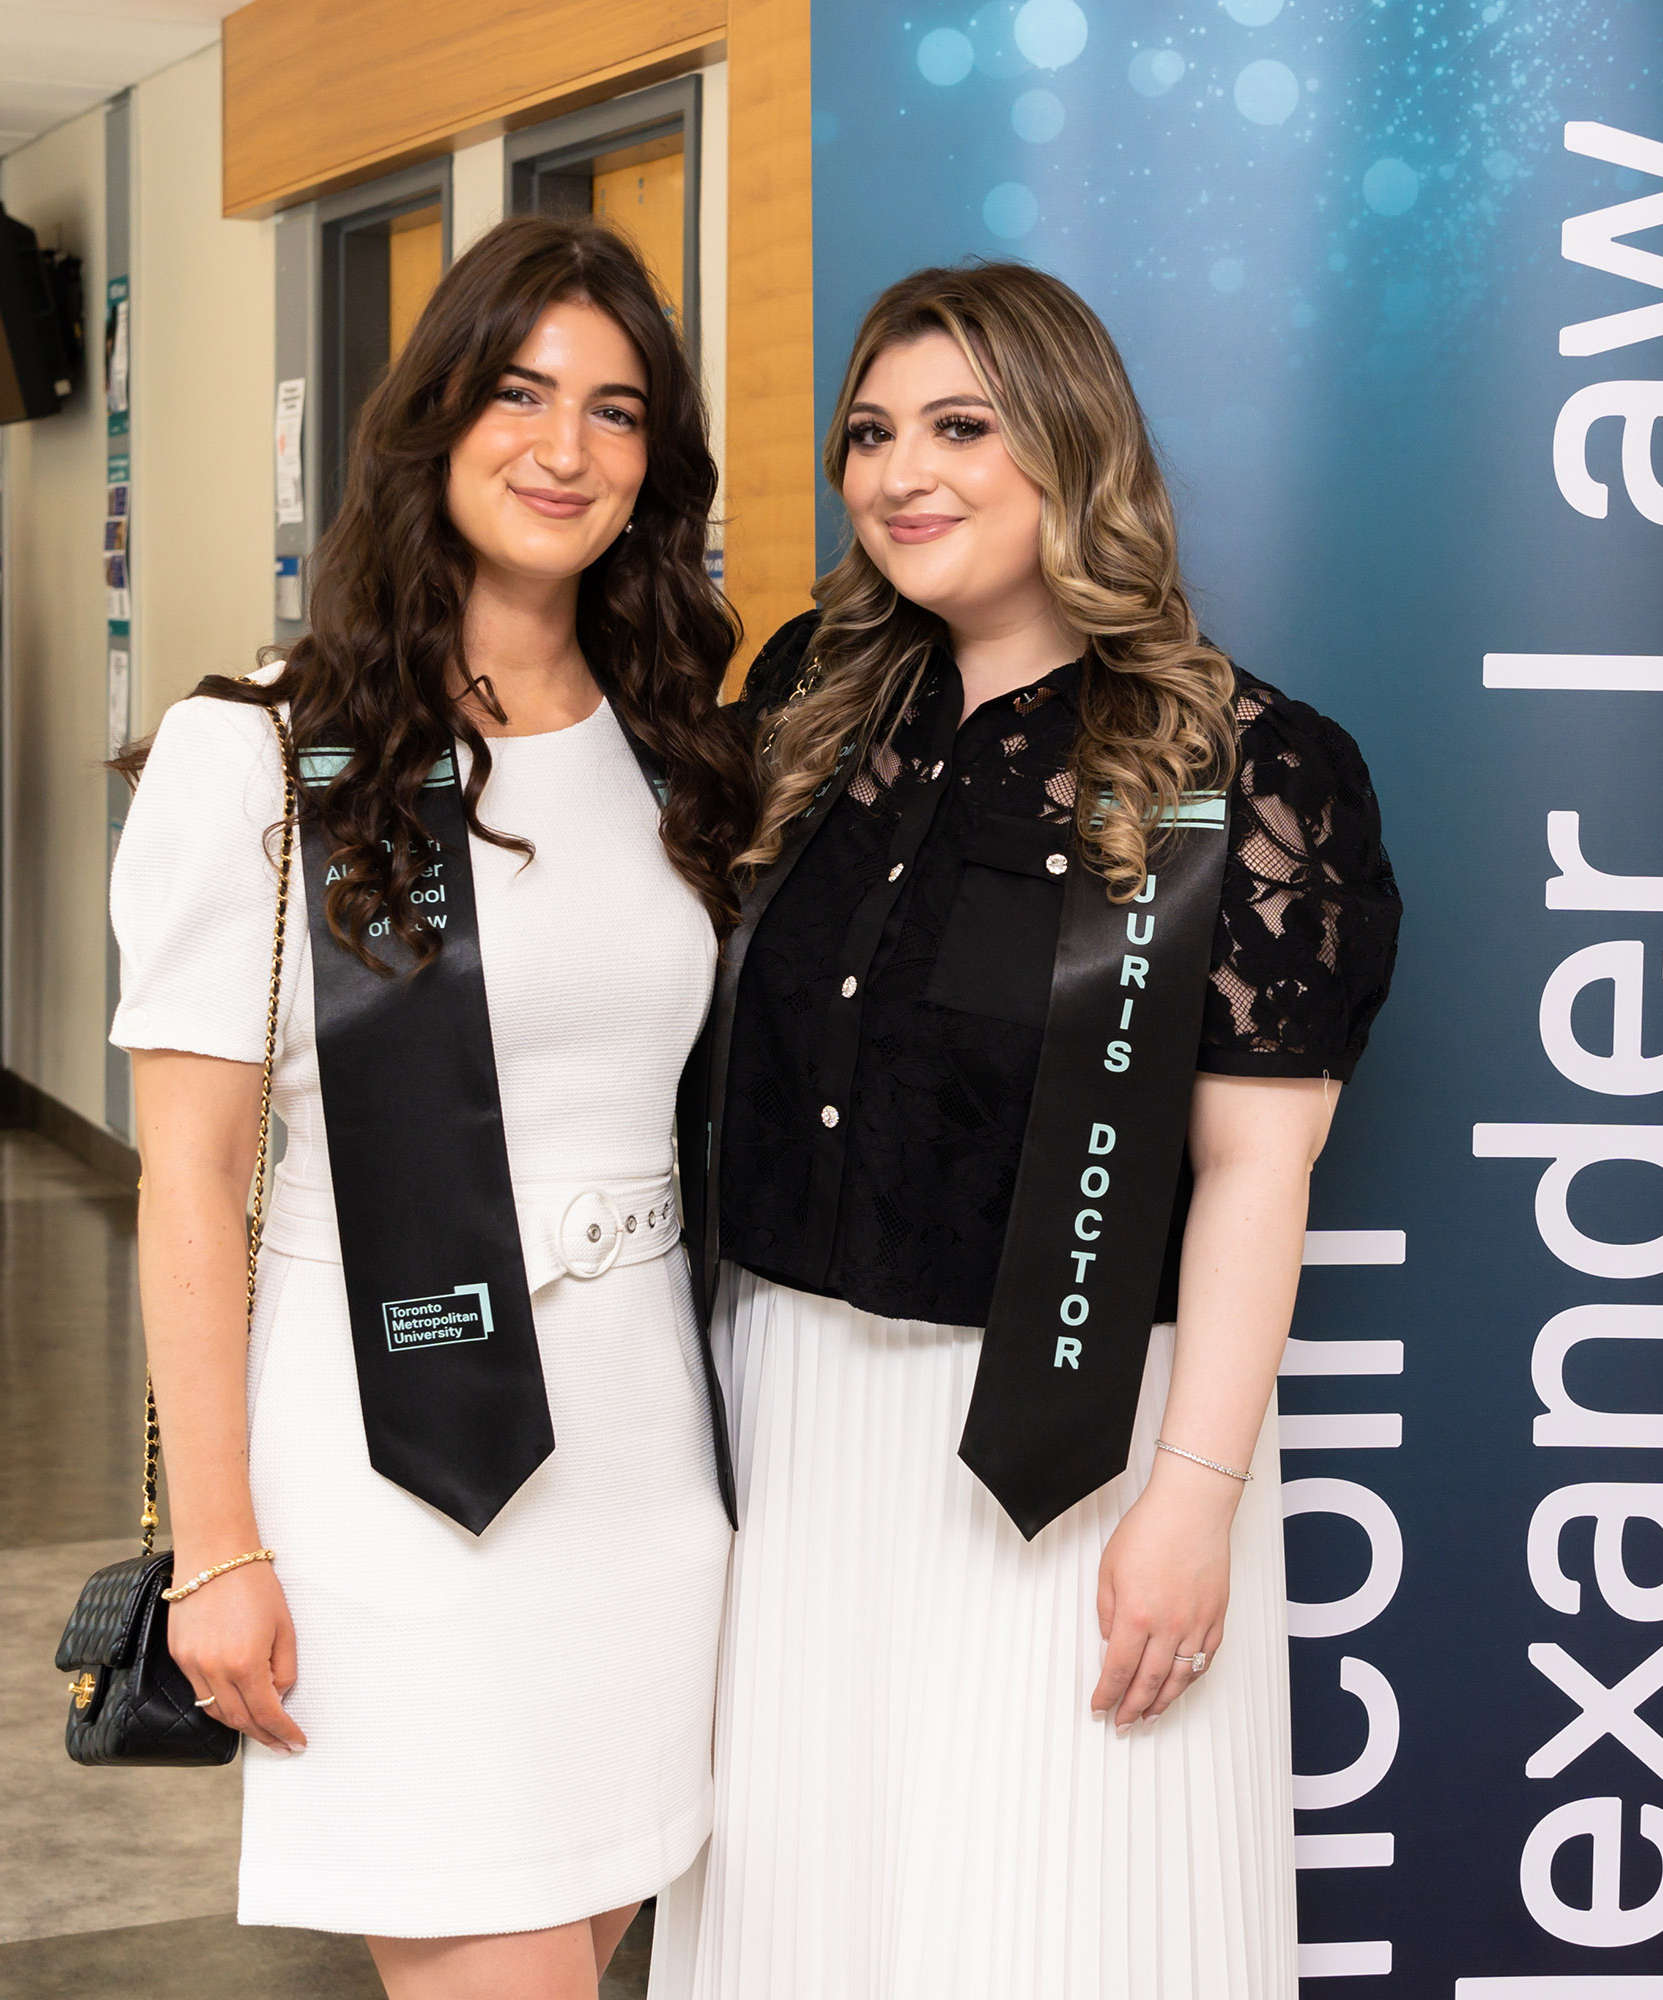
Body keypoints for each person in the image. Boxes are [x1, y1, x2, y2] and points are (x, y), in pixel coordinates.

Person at [652, 263, 1401, 1998]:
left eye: (961, 427)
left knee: (1057, 1916)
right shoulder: (810, 707)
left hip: (1077, 1439)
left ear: (1071, 444)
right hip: (791, 1424)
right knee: (805, 1908)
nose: (902, 473)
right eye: (870, 434)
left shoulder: (1246, 763)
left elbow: (1256, 1171)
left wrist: (1193, 1504)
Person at [108, 214, 753, 1999]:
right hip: (395, 1460)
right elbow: (189, 1180)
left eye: (617, 411)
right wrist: (215, 1546)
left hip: (642, 1451)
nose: (567, 449)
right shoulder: (263, 748)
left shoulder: (676, 738)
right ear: (434, 417)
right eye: (520, 394)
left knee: (591, 1938)